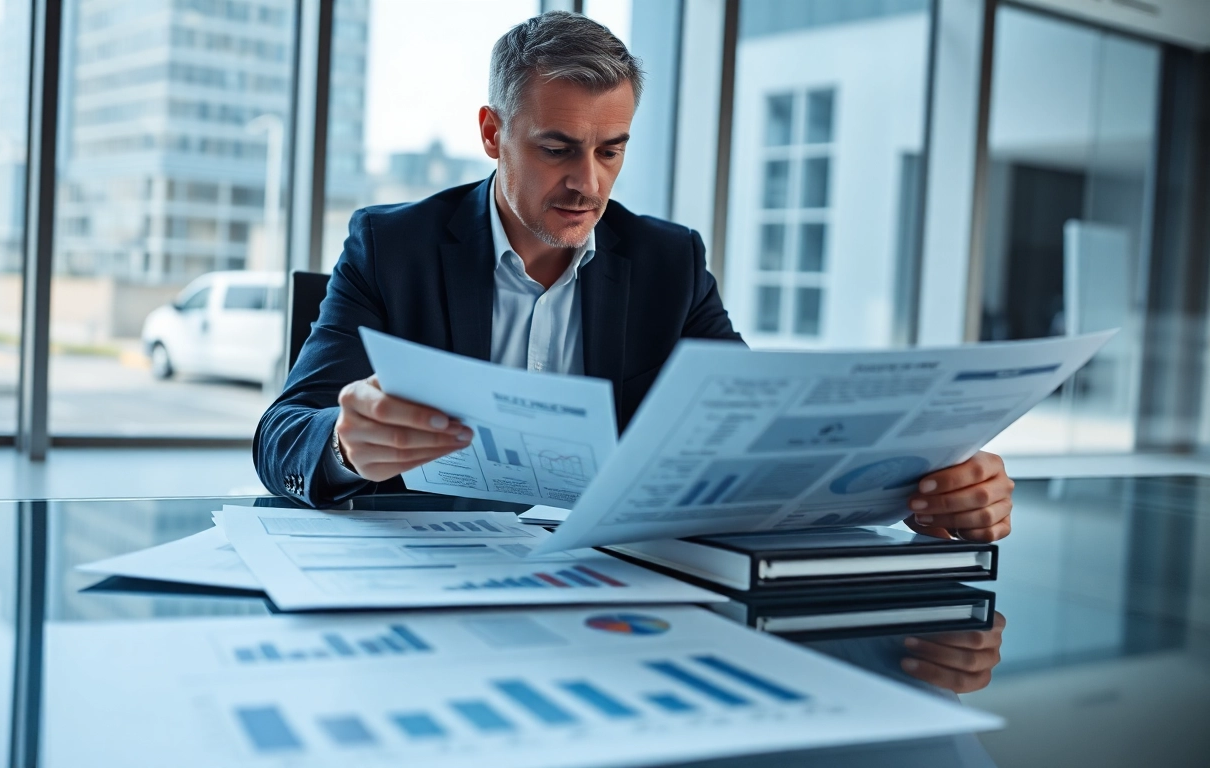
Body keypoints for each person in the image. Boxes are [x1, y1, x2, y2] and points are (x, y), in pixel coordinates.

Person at [254, 11, 1015, 542]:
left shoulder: (668, 263)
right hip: (425, 582)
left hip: (604, 591)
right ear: (493, 133)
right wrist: (347, 448)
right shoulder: (394, 246)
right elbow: (283, 438)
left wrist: (917, 484)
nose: (588, 182)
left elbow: (764, 440)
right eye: (557, 148)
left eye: (611, 150)